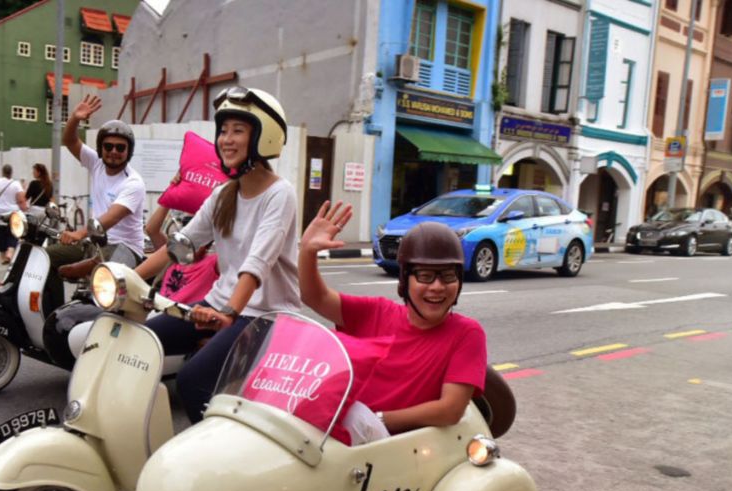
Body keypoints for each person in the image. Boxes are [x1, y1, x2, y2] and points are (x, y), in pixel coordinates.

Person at [136, 86, 299, 423]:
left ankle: (213, 462)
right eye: (223, 130)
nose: (226, 139)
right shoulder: (224, 194)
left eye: (238, 130)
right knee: (142, 341)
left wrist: (228, 312)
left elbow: (257, 266)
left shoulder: (280, 195)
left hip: (264, 315)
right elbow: (179, 246)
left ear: (263, 137)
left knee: (193, 380)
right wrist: (125, 279)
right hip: (219, 305)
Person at [300, 213, 487, 444]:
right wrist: (307, 252)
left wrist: (375, 420)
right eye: (425, 276)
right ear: (405, 280)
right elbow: (315, 297)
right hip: (343, 437)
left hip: (397, 450)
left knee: (354, 416)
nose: (437, 287)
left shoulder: (466, 333)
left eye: (448, 276)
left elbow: (450, 409)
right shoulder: (376, 312)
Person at [46, 95, 146, 310]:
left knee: (103, 276)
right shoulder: (97, 165)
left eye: (121, 148)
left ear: (129, 151)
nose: (114, 152)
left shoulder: (133, 182)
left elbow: (112, 217)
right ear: (101, 148)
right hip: (96, 243)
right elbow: (70, 141)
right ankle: (51, 311)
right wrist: (74, 118)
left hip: (126, 248)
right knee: (45, 258)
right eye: (108, 146)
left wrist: (79, 233)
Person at [0, 164, 27, 265]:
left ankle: (3, 256)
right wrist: (24, 209)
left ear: (2, 172)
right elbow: (21, 199)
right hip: (12, 212)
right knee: (13, 232)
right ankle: (10, 252)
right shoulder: (16, 184)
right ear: (11, 172)